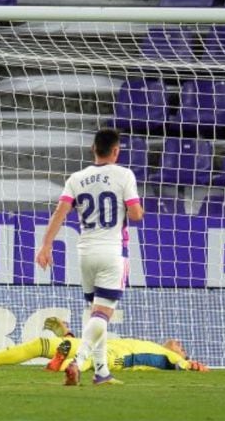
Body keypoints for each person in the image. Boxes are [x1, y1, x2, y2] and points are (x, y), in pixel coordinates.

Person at [35, 129, 144, 386]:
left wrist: (46, 246)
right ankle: (78, 361)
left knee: (93, 313)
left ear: (93, 149)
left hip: (85, 253)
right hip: (112, 251)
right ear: (116, 151)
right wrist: (137, 207)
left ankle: (102, 371)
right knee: (103, 314)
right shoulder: (124, 174)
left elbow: (60, 213)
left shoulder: (76, 178)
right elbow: (136, 214)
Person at [0, 317, 208, 373]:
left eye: (182, 347)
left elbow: (190, 367)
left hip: (118, 360)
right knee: (43, 342)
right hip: (98, 342)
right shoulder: (152, 344)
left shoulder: (172, 359)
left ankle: (61, 366)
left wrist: (192, 365)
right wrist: (67, 334)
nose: (179, 344)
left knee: (87, 359)